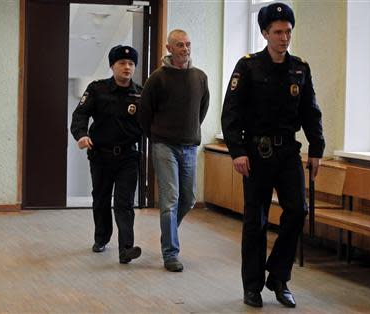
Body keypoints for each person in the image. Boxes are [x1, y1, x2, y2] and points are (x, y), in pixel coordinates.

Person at [221, 3, 325, 308]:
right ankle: (252, 286)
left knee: (298, 211)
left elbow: (310, 112)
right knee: (256, 220)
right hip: (255, 152)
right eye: (277, 32)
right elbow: (231, 114)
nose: (284, 37)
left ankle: (278, 277)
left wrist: (316, 149)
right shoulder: (248, 66)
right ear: (265, 33)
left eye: (288, 31)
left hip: (288, 151)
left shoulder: (299, 68)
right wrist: (237, 151)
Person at [139, 29, 210, 272]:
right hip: (163, 145)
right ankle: (171, 253)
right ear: (169, 49)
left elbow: (201, 109)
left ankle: (167, 233)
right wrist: (156, 137)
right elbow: (144, 113)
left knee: (188, 199)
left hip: (189, 145)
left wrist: (189, 132)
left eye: (188, 44)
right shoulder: (157, 78)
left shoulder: (200, 77)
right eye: (179, 45)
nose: (185, 49)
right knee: (170, 199)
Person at [70, 45, 143, 264]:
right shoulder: (97, 89)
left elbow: (151, 122)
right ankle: (101, 238)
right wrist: (81, 135)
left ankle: (126, 249)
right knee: (101, 199)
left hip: (128, 157)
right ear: (112, 66)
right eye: (122, 63)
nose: (127, 67)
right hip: (101, 155)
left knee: (125, 203)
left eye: (131, 64)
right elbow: (80, 115)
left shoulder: (141, 93)